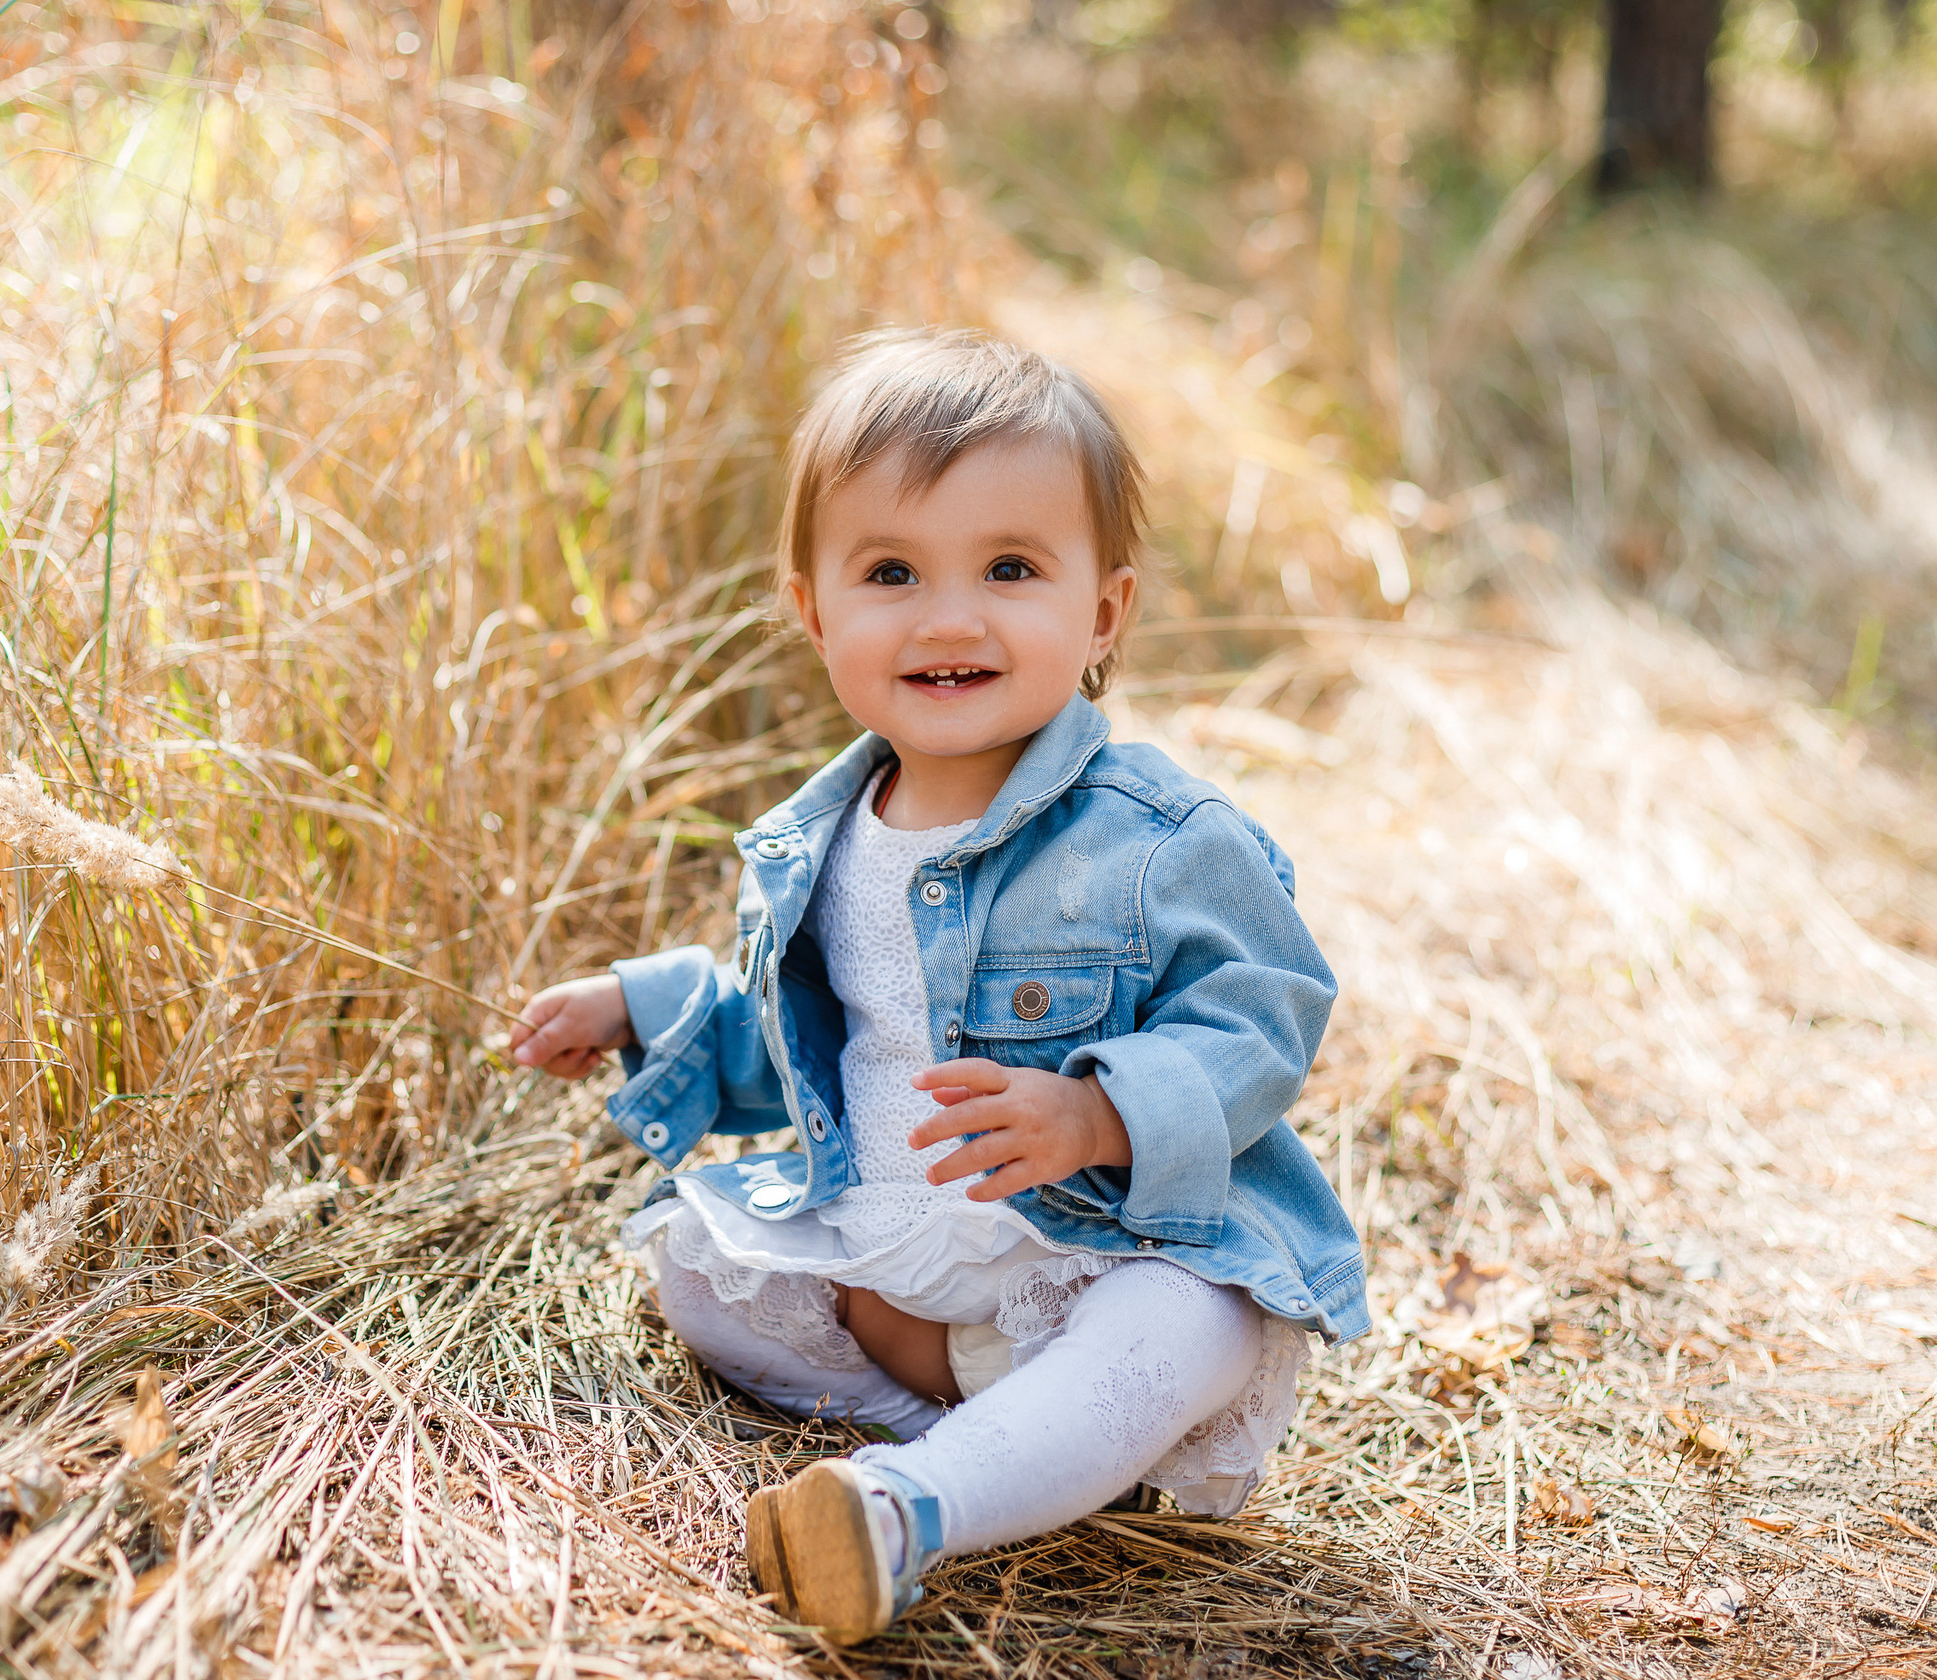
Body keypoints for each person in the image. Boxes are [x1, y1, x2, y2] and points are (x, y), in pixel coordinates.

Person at [511, 329, 1367, 1643]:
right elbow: (815, 1037)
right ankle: (1029, 1445)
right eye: (892, 572)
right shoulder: (827, 835)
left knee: (1185, 1327)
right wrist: (651, 1008)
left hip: (1101, 1248)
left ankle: (913, 1503)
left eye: (1011, 569)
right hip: (909, 1274)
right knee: (696, 1263)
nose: (950, 616)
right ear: (814, 610)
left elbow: (1268, 1009)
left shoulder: (1154, 836)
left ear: (1102, 612)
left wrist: (1100, 1115)